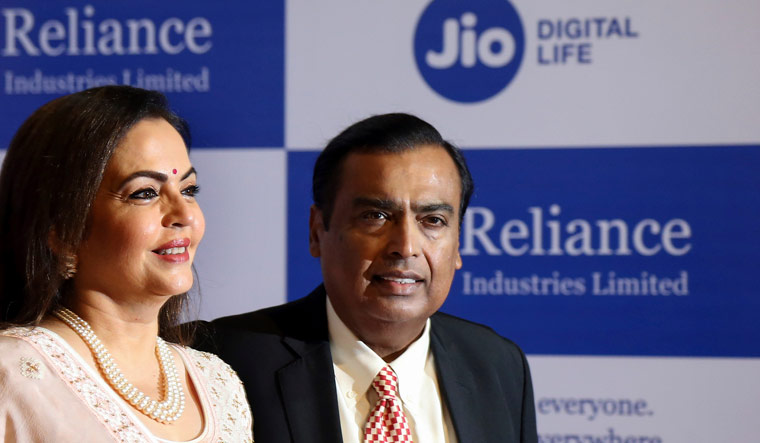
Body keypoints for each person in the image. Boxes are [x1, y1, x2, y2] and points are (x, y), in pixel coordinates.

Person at [196, 113, 537, 442]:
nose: (406, 247)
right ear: (317, 231)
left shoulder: (498, 365)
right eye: (376, 216)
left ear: (458, 243)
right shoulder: (221, 360)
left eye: (433, 220)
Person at [0, 86, 253, 442]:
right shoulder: (13, 375)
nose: (184, 215)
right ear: (63, 233)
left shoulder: (217, 383)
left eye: (188, 190)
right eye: (144, 193)